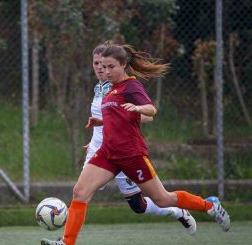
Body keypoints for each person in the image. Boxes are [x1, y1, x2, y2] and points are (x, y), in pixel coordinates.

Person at [41, 42, 230, 245]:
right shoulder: (109, 89)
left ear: (123, 65)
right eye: (103, 66)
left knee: (163, 199)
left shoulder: (131, 85)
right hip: (107, 153)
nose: (105, 70)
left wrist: (139, 109)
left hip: (131, 155)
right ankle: (67, 243)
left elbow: (151, 109)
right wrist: (100, 122)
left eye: (110, 66)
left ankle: (209, 205)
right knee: (80, 191)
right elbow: (118, 116)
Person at [83, 42, 196, 235]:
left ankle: (177, 211)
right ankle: (66, 237)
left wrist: (132, 111)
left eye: (105, 65)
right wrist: (94, 141)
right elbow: (106, 119)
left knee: (138, 205)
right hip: (100, 150)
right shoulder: (98, 88)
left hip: (123, 151)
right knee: (82, 192)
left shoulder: (122, 85)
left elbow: (149, 115)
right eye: (96, 64)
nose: (100, 68)